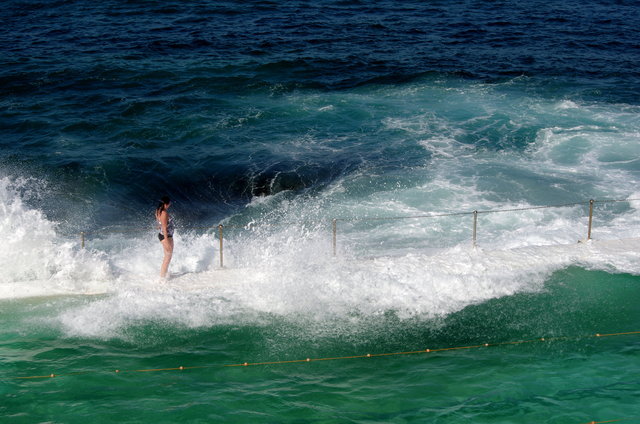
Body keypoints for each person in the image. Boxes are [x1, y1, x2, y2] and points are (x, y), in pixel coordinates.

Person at [155, 196, 174, 279]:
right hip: (166, 236)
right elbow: (164, 228)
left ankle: (164, 274)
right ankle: (162, 277)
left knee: (167, 256)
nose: (170, 204)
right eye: (169, 203)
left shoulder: (158, 211)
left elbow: (160, 223)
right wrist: (166, 241)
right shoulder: (164, 213)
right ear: (166, 204)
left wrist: (159, 226)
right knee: (168, 256)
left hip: (165, 235)